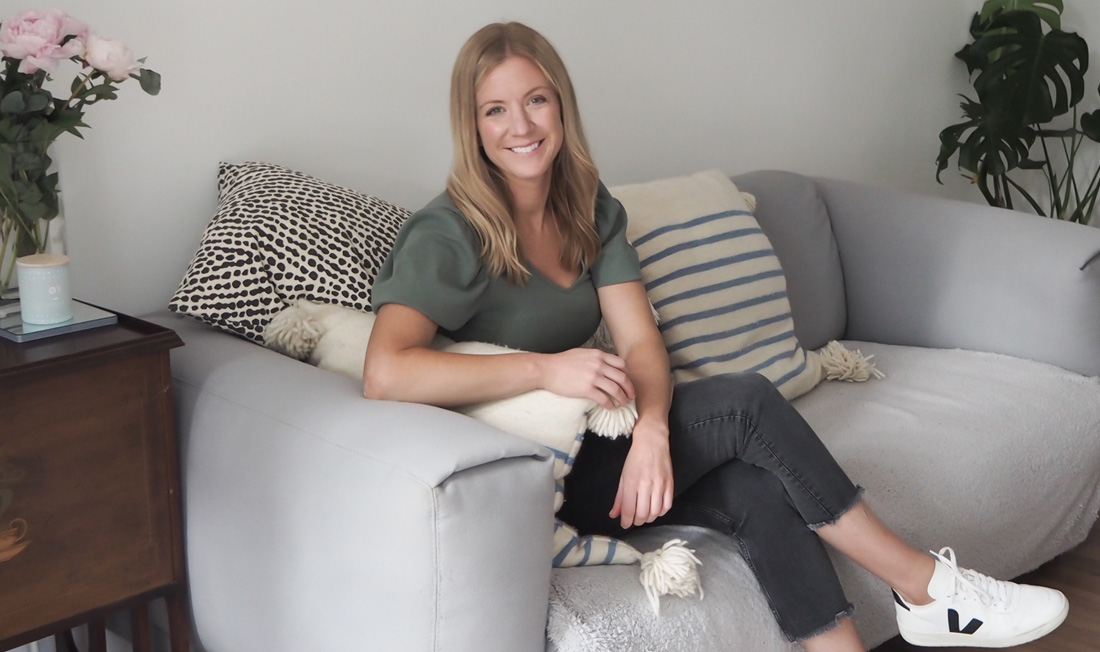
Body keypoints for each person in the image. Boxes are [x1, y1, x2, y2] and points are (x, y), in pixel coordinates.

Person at [363, 21, 1068, 651]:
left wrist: (652, 432)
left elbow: (641, 343)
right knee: (747, 403)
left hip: (605, 449)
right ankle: (925, 588)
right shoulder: (448, 233)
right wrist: (544, 370)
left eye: (536, 100)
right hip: (535, 484)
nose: (520, 124)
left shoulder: (588, 208)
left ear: (562, 106)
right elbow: (386, 372)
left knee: (757, 487)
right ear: (471, 124)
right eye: (495, 109)